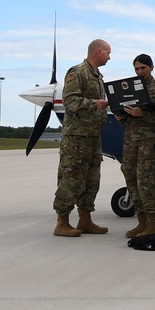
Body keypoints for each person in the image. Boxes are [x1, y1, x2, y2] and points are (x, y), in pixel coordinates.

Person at [53, 39, 111, 237]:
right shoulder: (77, 72)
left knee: (91, 180)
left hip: (93, 137)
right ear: (97, 52)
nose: (109, 57)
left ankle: (85, 220)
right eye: (107, 53)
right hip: (77, 137)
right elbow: (69, 101)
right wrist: (95, 104)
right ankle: (62, 222)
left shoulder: (97, 76)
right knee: (72, 178)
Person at [115, 54, 155, 239]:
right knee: (131, 179)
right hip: (131, 141)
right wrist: (122, 116)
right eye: (137, 69)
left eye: (143, 68)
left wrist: (142, 115)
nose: (140, 72)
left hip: (149, 142)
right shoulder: (130, 89)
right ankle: (142, 222)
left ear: (151, 67)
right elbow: (127, 117)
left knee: (146, 181)